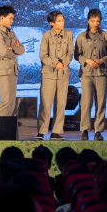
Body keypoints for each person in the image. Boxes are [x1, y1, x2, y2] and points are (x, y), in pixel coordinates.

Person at [74, 8, 107, 141]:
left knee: (101, 103)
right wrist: (87, 60)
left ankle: (98, 131)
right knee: (86, 103)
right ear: (88, 20)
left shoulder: (106, 36)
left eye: (98, 21)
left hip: (102, 74)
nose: (95, 24)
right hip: (86, 74)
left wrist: (102, 60)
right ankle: (84, 130)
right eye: (93, 21)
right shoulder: (81, 37)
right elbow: (77, 55)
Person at [36, 10, 74, 141]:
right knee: (46, 103)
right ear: (51, 23)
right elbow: (43, 55)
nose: (62, 22)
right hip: (48, 74)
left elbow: (70, 53)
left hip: (63, 73)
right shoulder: (46, 35)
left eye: (63, 20)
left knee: (61, 103)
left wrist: (63, 63)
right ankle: (42, 131)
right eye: (59, 21)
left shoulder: (69, 34)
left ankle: (56, 132)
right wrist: (55, 63)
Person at [0, 5, 25, 116]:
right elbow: (4, 52)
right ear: (2, 17)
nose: (12, 21)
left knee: (11, 103)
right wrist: (15, 50)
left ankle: (3, 126)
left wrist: (12, 48)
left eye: (12, 18)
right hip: (2, 71)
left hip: (12, 70)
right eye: (10, 18)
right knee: (5, 102)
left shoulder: (11, 33)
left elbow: (22, 49)